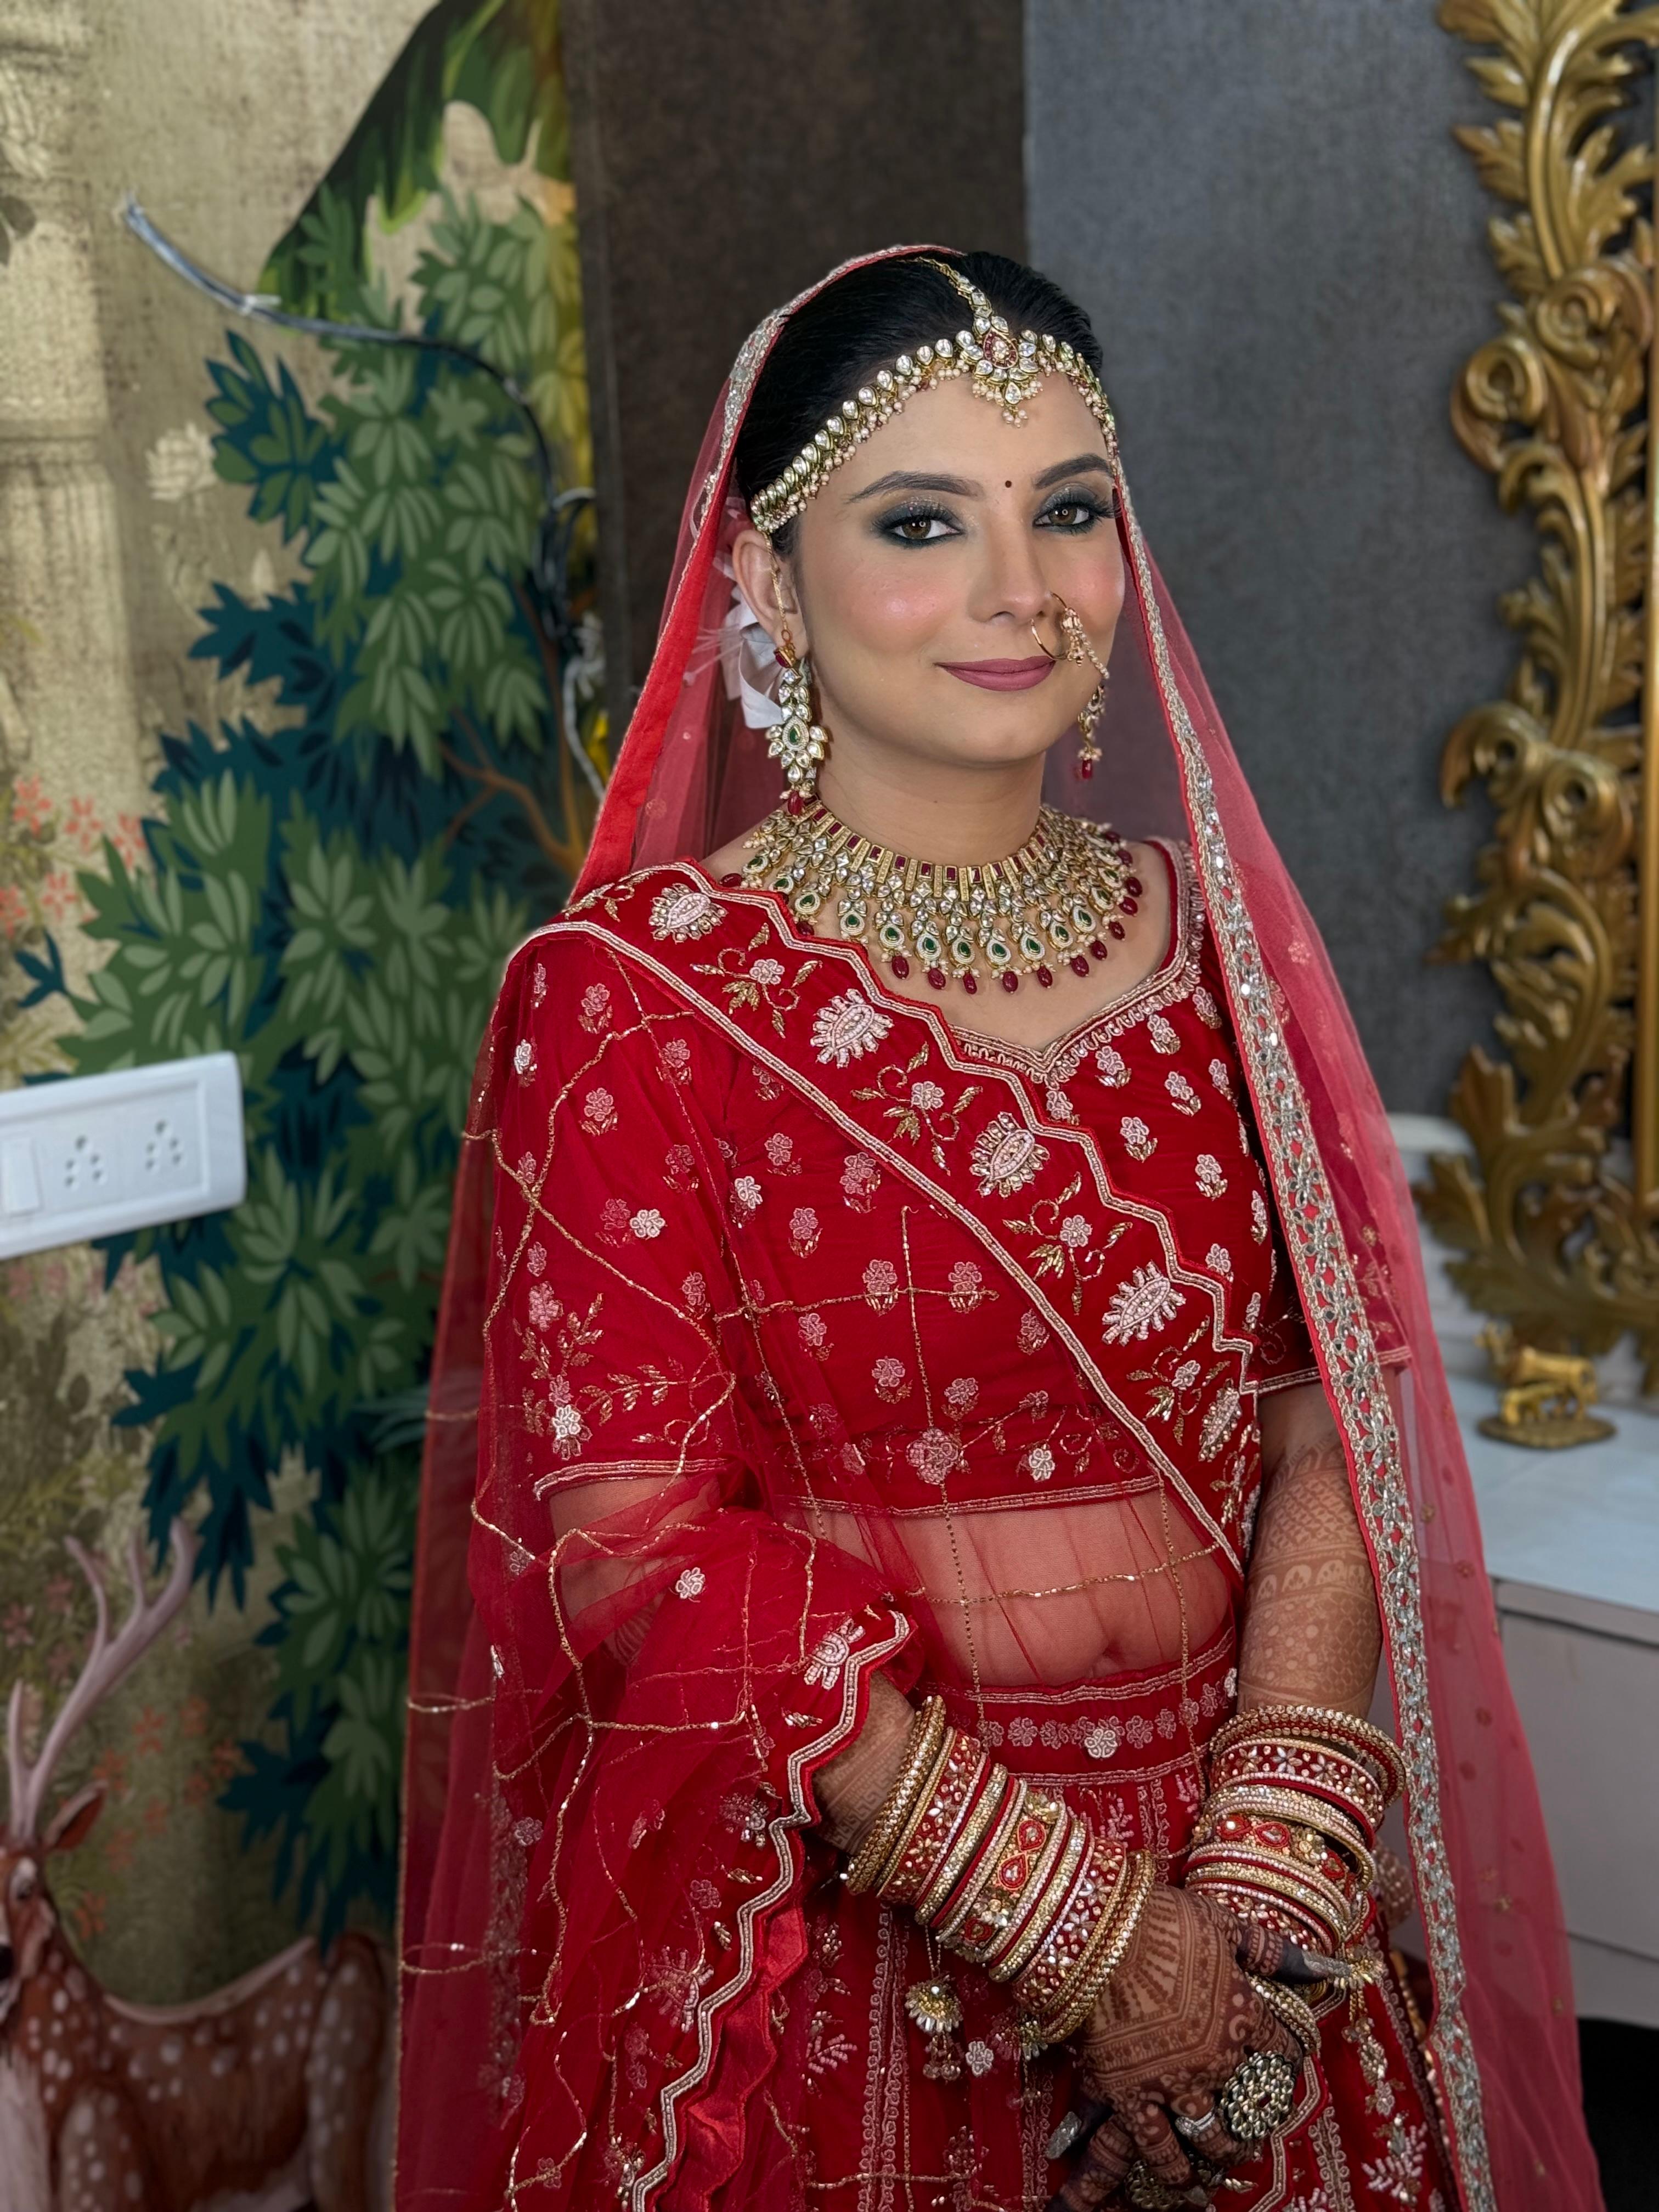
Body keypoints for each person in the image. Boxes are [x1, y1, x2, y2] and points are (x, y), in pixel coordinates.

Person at [397, 250, 1602, 2212]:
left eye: (1071, 508)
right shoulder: (629, 996)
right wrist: (1090, 1941)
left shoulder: (1212, 945)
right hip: (865, 1963)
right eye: (920, 523)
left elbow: (1321, 1409)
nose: (1023, 588)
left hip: (1253, 1939)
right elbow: (634, 1555)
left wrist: (1267, 1882)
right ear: (769, 580)